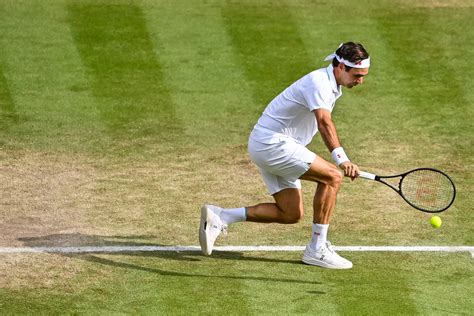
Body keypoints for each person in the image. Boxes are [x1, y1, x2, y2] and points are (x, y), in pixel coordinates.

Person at [199, 42, 370, 269]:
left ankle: (221, 216)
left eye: (363, 76)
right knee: (332, 177)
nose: (360, 81)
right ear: (340, 66)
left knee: (289, 213)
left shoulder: (331, 84)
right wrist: (342, 160)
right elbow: (323, 122)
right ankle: (316, 249)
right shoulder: (318, 82)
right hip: (273, 143)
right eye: (357, 75)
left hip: (270, 144)